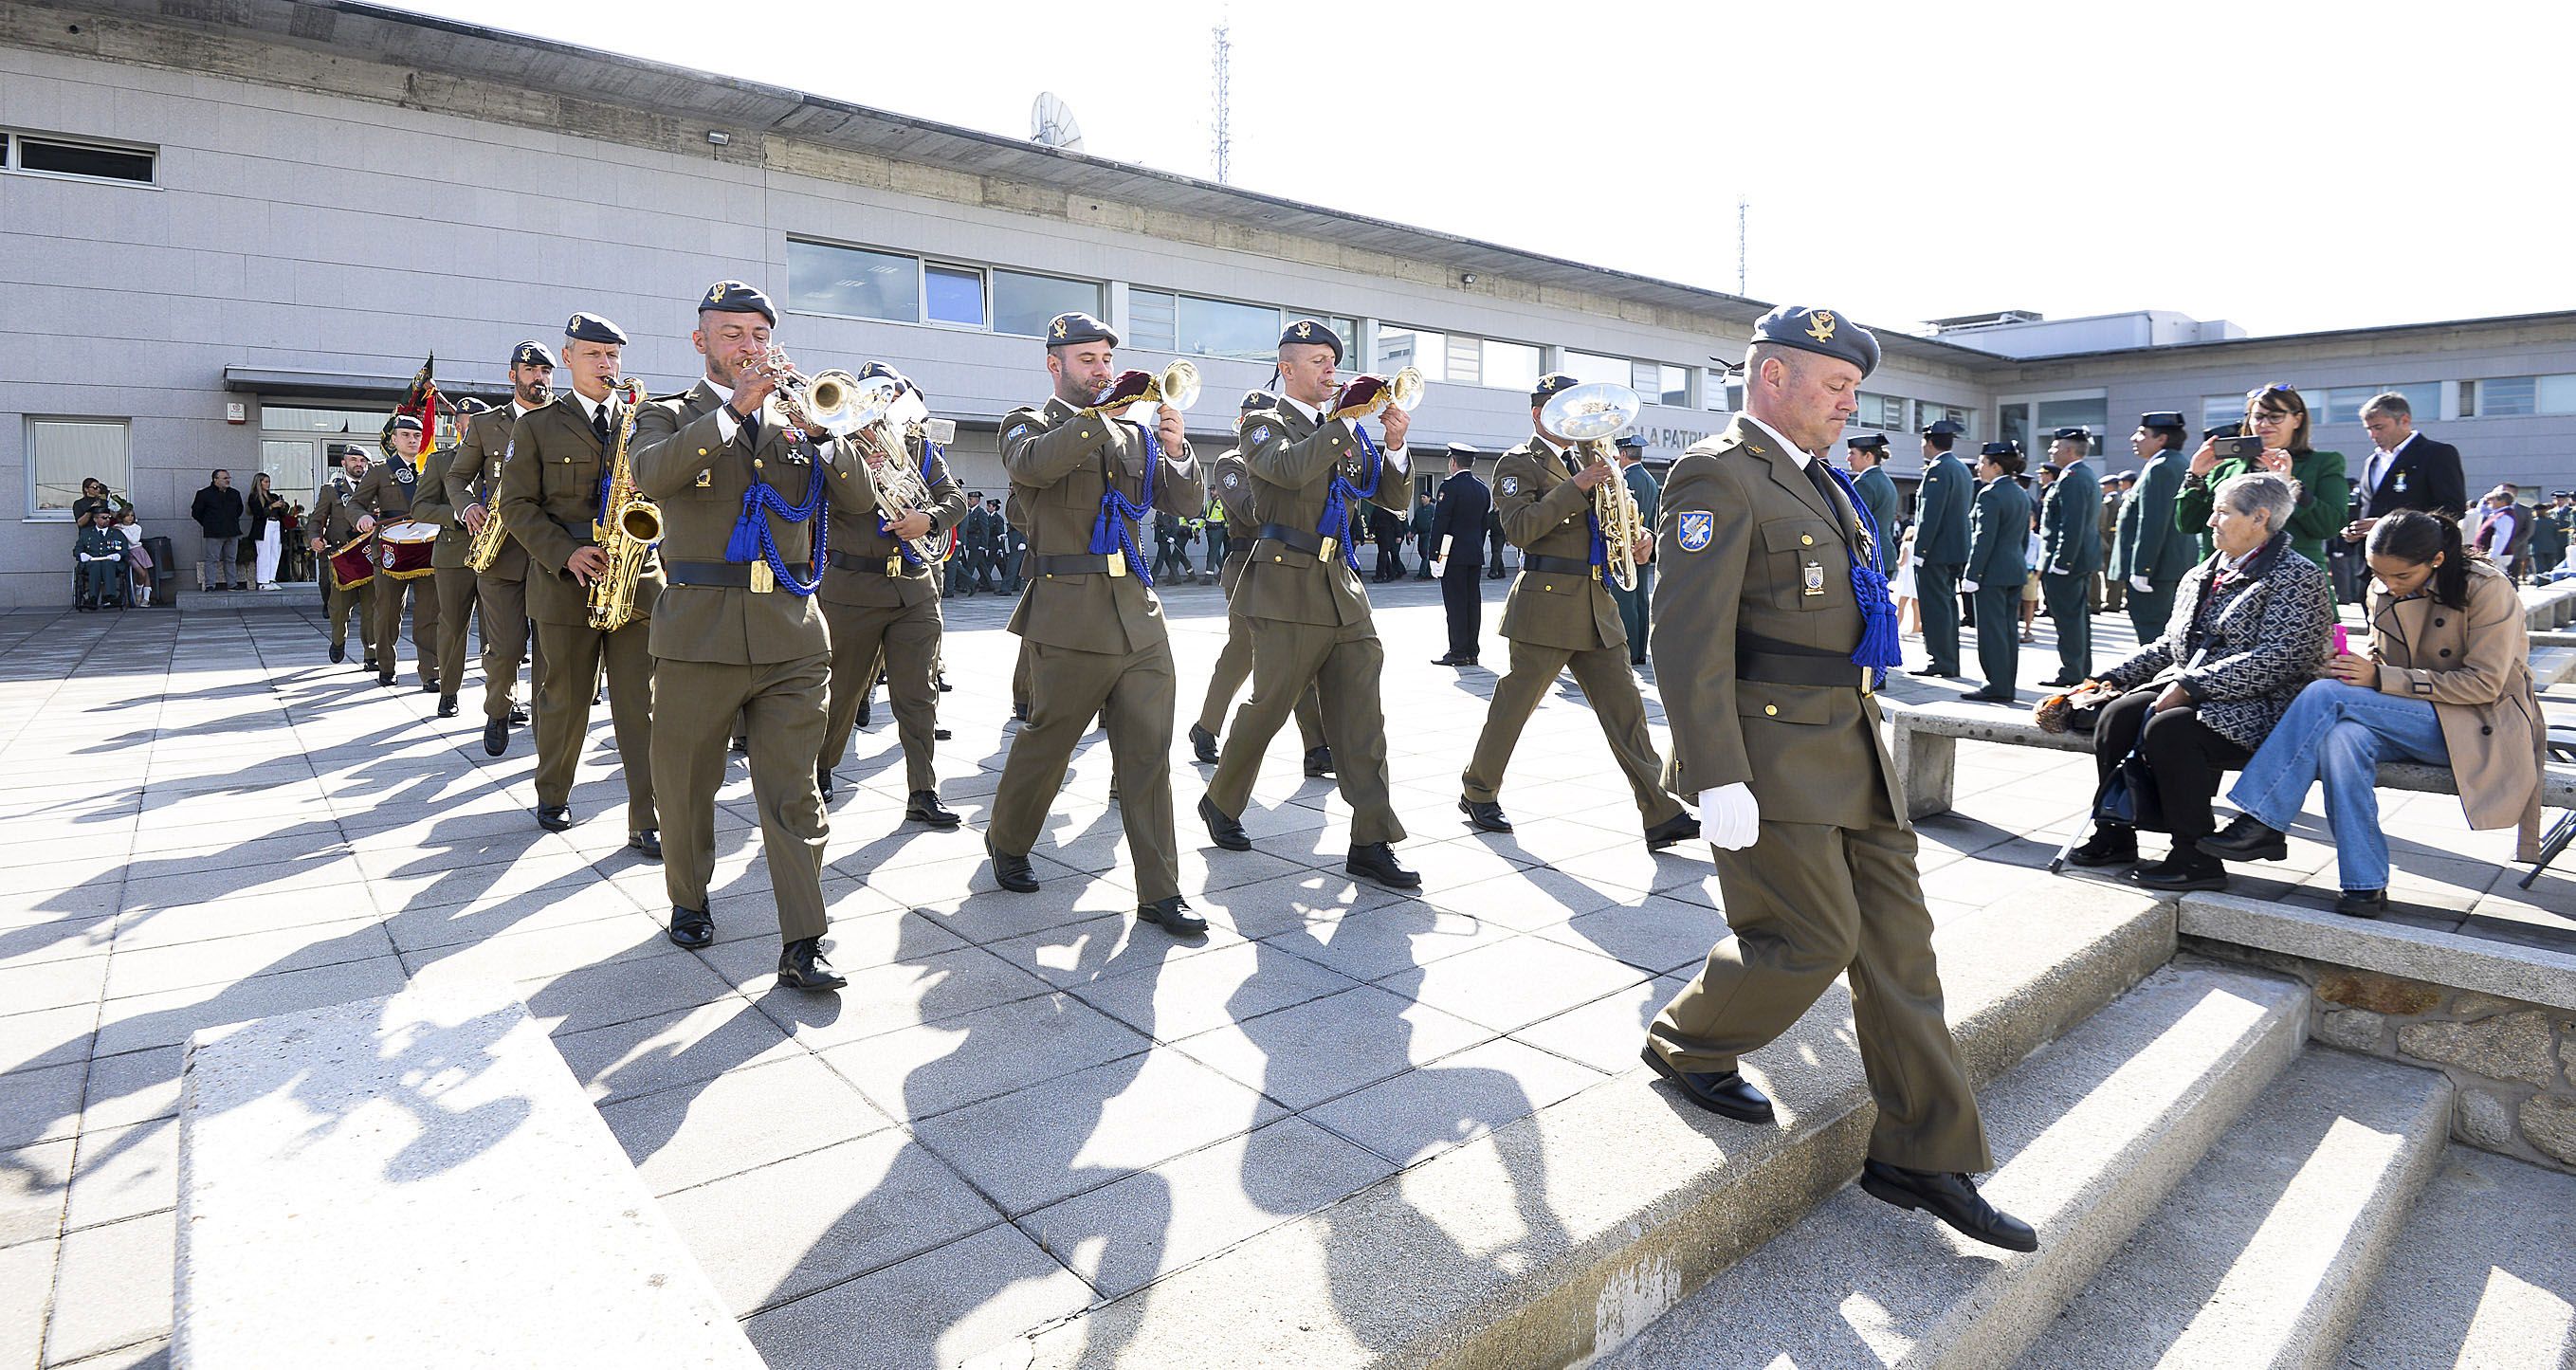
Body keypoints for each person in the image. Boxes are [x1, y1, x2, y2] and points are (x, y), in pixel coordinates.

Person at [1641, 304, 2031, 1252]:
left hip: (1851, 743)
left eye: (1853, 388)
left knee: (1902, 953)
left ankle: (1922, 1152)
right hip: (1768, 753)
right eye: (1837, 385)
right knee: (1807, 937)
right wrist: (1713, 774)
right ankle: (1688, 1040)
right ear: (1772, 377)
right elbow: (1685, 638)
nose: (1850, 405)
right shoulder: (1716, 473)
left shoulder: (1822, 481)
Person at [630, 280, 866, 989]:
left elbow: (859, 503)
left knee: (795, 790)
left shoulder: (802, 419)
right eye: (730, 334)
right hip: (697, 631)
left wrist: (829, 438)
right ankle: (689, 897)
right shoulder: (664, 413)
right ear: (700, 340)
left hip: (791, 633)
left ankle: (804, 938)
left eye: (759, 336)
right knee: (686, 782)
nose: (748, 347)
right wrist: (736, 410)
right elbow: (650, 474)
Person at [2201, 510, 2543, 919]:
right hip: (2409, 717)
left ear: (2436, 560)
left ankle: (2261, 819)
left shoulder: (2486, 588)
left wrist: (2379, 678)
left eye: (2402, 577)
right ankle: (2363, 884)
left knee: (2326, 697)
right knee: (2340, 740)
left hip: (2479, 724)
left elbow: (2484, 684)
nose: (2390, 586)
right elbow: (2383, 657)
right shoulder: (2382, 588)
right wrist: (2352, 666)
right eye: (2379, 574)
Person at [986, 311, 1208, 934]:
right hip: (1066, 610)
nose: (1101, 370)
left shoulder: (1134, 435)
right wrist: (1099, 418)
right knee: (1048, 741)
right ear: (1055, 365)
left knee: (1148, 755)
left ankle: (1160, 892)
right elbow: (1032, 467)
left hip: (1137, 611)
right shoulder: (1027, 423)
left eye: (1106, 359)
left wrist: (1176, 449)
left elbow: (1186, 504)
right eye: (1087, 360)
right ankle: (1007, 838)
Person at [1198, 320, 1417, 892]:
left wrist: (1393, 446)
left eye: (1332, 361)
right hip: (1285, 580)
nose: (1330, 371)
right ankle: (1221, 799)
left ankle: (1371, 840)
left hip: (1340, 584)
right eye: (1317, 361)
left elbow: (1392, 500)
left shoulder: (1337, 429)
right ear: (1287, 368)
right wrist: (1344, 424)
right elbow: (1288, 471)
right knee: (1271, 707)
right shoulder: (1263, 422)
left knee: (1363, 719)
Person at [2064, 472, 2334, 891]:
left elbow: (2282, 658)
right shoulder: (2203, 572)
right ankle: (2115, 832)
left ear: (2260, 517)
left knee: (2170, 729)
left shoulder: (2297, 575)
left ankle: (2195, 857)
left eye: (2223, 512)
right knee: (2116, 716)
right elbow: (2168, 646)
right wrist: (2104, 679)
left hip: (2263, 702)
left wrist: (2194, 686)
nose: (2211, 522)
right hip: (2196, 687)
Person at [1457, 374, 1694, 848]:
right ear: (1537, 414)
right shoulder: (1518, 462)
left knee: (1627, 712)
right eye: (1561, 410)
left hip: (1596, 604)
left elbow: (1618, 520)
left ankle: (1660, 813)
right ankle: (1478, 790)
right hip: (1545, 601)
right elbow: (1521, 529)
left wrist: (1638, 537)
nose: (1576, 420)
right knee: (1514, 706)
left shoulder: (1596, 457)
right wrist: (1578, 485)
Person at [495, 311, 661, 854]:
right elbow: (516, 506)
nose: (606, 365)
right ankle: (553, 792)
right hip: (565, 581)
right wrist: (566, 554)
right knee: (564, 698)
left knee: (642, 705)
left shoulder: (645, 420)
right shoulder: (536, 425)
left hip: (634, 578)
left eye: (613, 355)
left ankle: (647, 816)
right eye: (593, 355)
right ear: (567, 360)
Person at [813, 361, 967, 826]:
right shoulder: (833, 448)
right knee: (840, 692)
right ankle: (820, 771)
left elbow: (954, 498)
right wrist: (852, 464)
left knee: (918, 695)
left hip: (914, 588)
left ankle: (923, 790)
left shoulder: (917, 446)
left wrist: (930, 519)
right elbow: (833, 504)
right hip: (852, 588)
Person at [1190, 390, 1327, 771]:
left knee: (1299, 653)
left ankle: (1316, 747)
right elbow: (1253, 512)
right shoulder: (1230, 463)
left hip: (1290, 563)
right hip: (1247, 562)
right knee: (1242, 652)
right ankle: (1206, 726)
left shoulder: (1293, 453)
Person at [454, 341, 554, 756]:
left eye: (546, 371)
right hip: (500, 552)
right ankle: (498, 708)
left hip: (551, 552)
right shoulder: (484, 424)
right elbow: (457, 478)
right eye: (531, 370)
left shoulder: (564, 421)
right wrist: (468, 507)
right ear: (513, 375)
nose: (540, 378)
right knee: (508, 646)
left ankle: (549, 727)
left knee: (551, 650)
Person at [2181, 384, 2349, 567]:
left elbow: (2330, 527)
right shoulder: (2224, 467)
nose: (2265, 424)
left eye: (2275, 417)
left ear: (2297, 420)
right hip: (2223, 574)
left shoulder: (2323, 463)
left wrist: (2290, 484)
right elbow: (2188, 524)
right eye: (2258, 417)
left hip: (2292, 579)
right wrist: (2195, 476)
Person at [350, 415, 443, 691]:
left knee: (429, 615)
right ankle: (386, 666)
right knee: (388, 612)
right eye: (405, 435)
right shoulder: (379, 471)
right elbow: (355, 504)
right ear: (393, 439)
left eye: (416, 436)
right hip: (390, 550)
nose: (412, 440)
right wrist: (362, 518)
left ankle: (430, 673)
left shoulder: (433, 466)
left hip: (428, 548)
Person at [412, 398, 484, 720]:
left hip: (500, 556)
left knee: (501, 633)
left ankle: (502, 699)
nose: (467, 427)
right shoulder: (442, 462)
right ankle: (449, 692)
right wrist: (458, 513)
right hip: (455, 555)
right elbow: (420, 508)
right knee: (453, 627)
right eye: (464, 422)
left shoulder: (505, 459)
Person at [1959, 441, 2032, 703]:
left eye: (1982, 463)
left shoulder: (1989, 494)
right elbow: (2023, 537)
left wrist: (1972, 574)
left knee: (1991, 632)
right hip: (2013, 569)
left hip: (1991, 573)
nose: (1979, 468)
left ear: (1996, 466)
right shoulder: (2020, 493)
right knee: (2008, 631)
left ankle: (1996, 685)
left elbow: (1984, 538)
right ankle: (2005, 683)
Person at [2114, 412, 2197, 642]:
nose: (2134, 438)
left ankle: (2153, 678)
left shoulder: (2160, 467)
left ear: (2161, 439)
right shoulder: (2176, 463)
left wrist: (2143, 569)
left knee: (2152, 632)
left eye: (2142, 434)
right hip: (2170, 565)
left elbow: (2152, 522)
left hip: (2156, 570)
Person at [2348, 391, 2467, 541]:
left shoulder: (2436, 454)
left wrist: (2389, 525)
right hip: (2371, 559)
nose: (2373, 435)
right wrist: (2353, 532)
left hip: (2414, 556)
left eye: (2379, 427)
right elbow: (2364, 509)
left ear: (2404, 420)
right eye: (2368, 429)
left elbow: (2452, 511)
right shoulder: (2372, 461)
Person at [2037, 429, 2102, 687]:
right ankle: (2079, 671)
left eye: (2055, 446)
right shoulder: (2079, 475)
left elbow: (2071, 524)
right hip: (2077, 560)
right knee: (2076, 619)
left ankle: (2072, 673)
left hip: (2068, 562)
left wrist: (2062, 561)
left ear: (2069, 450)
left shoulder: (2073, 478)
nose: (2051, 451)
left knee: (2069, 621)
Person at [1909, 418, 1973, 678]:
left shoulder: (1938, 469)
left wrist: (1920, 551)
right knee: (1947, 607)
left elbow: (1930, 515)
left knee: (1935, 608)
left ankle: (1940, 661)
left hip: (1936, 552)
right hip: (1955, 549)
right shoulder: (1960, 468)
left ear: (1929, 442)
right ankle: (1949, 660)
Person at [310, 445, 377, 666]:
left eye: (363, 461)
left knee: (372, 610)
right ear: (344, 463)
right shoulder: (331, 489)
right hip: (343, 558)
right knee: (338, 608)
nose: (359, 464)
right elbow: (317, 519)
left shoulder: (377, 487)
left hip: (369, 556)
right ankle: (338, 640)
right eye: (354, 460)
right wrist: (314, 538)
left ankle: (371, 654)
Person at [1431, 442, 1491, 667]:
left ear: (1453, 462)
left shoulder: (1450, 486)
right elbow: (1483, 523)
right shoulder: (1482, 488)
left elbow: (1441, 523)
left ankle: (1457, 651)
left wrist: (1434, 554)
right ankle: (1472, 650)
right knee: (1472, 603)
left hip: (1452, 554)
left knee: (1455, 604)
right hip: (1474, 552)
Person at [1606, 433, 1664, 666]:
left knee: (1625, 600)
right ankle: (1639, 649)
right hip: (1644, 546)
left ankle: (1628, 650)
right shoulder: (1649, 478)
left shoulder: (1626, 480)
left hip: (1627, 549)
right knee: (1640, 599)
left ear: (1622, 454)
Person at [1843, 433, 1900, 575]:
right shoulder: (1885, 480)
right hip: (1885, 554)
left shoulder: (1864, 483)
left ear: (1868, 456)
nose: (1848, 458)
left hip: (1870, 556)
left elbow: (1856, 525)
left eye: (1852, 453)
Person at [190, 468, 246, 593]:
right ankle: (210, 585)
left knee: (231, 559)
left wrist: (231, 521)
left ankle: (232, 584)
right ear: (215, 479)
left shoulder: (234, 493)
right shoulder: (204, 494)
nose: (228, 480)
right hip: (214, 533)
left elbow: (239, 510)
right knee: (212, 559)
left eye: (229, 478)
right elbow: (196, 512)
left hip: (232, 531)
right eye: (225, 478)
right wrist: (208, 524)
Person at [75, 508, 129, 610]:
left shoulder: (117, 533)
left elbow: (125, 550)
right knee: (95, 565)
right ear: (95, 519)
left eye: (109, 517)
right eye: (104, 518)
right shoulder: (86, 533)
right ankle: (93, 598)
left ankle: (109, 597)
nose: (107, 520)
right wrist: (82, 555)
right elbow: (77, 550)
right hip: (92, 562)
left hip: (111, 563)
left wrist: (118, 555)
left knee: (107, 563)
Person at [2470, 485, 2526, 581]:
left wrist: (2493, 556)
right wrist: (2484, 499)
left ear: (2502, 502)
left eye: (2494, 499)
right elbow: (2481, 511)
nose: (2491, 502)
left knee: (2497, 580)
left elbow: (2501, 537)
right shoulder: (2498, 513)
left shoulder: (2504, 516)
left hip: (2497, 556)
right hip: (2492, 554)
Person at [246, 472, 287, 590]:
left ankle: (271, 578)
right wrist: (271, 506)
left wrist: (282, 507)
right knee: (264, 553)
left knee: (275, 552)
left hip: (276, 524)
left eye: (268, 481)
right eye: (265, 482)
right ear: (259, 483)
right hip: (264, 526)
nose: (268, 484)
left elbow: (282, 514)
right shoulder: (254, 497)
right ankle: (263, 581)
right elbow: (258, 513)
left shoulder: (272, 496)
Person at [2096, 472, 2128, 616]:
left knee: (2111, 573)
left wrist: (2104, 540)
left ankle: (2112, 602)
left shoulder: (2110, 501)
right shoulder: (2118, 499)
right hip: (2116, 539)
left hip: (2110, 540)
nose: (2102, 488)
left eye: (2104, 485)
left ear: (2110, 486)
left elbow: (2105, 524)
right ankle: (2115, 601)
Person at [2531, 490, 2574, 580]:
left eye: (2562, 500)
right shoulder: (2550, 512)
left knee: (2567, 560)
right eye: (2557, 500)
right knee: (2555, 560)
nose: (2559, 502)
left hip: (2566, 537)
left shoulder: (2571, 511)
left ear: (2566, 500)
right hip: (2553, 539)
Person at [1410, 488, 1436, 580]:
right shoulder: (1419, 510)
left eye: (1424, 497)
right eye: (1421, 497)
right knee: (1421, 552)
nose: (1422, 499)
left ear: (1429, 498)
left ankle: (1422, 574)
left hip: (1429, 534)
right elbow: (1415, 522)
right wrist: (1412, 532)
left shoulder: (1432, 509)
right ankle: (1430, 573)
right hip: (1421, 534)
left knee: (1425, 554)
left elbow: (1436, 522)